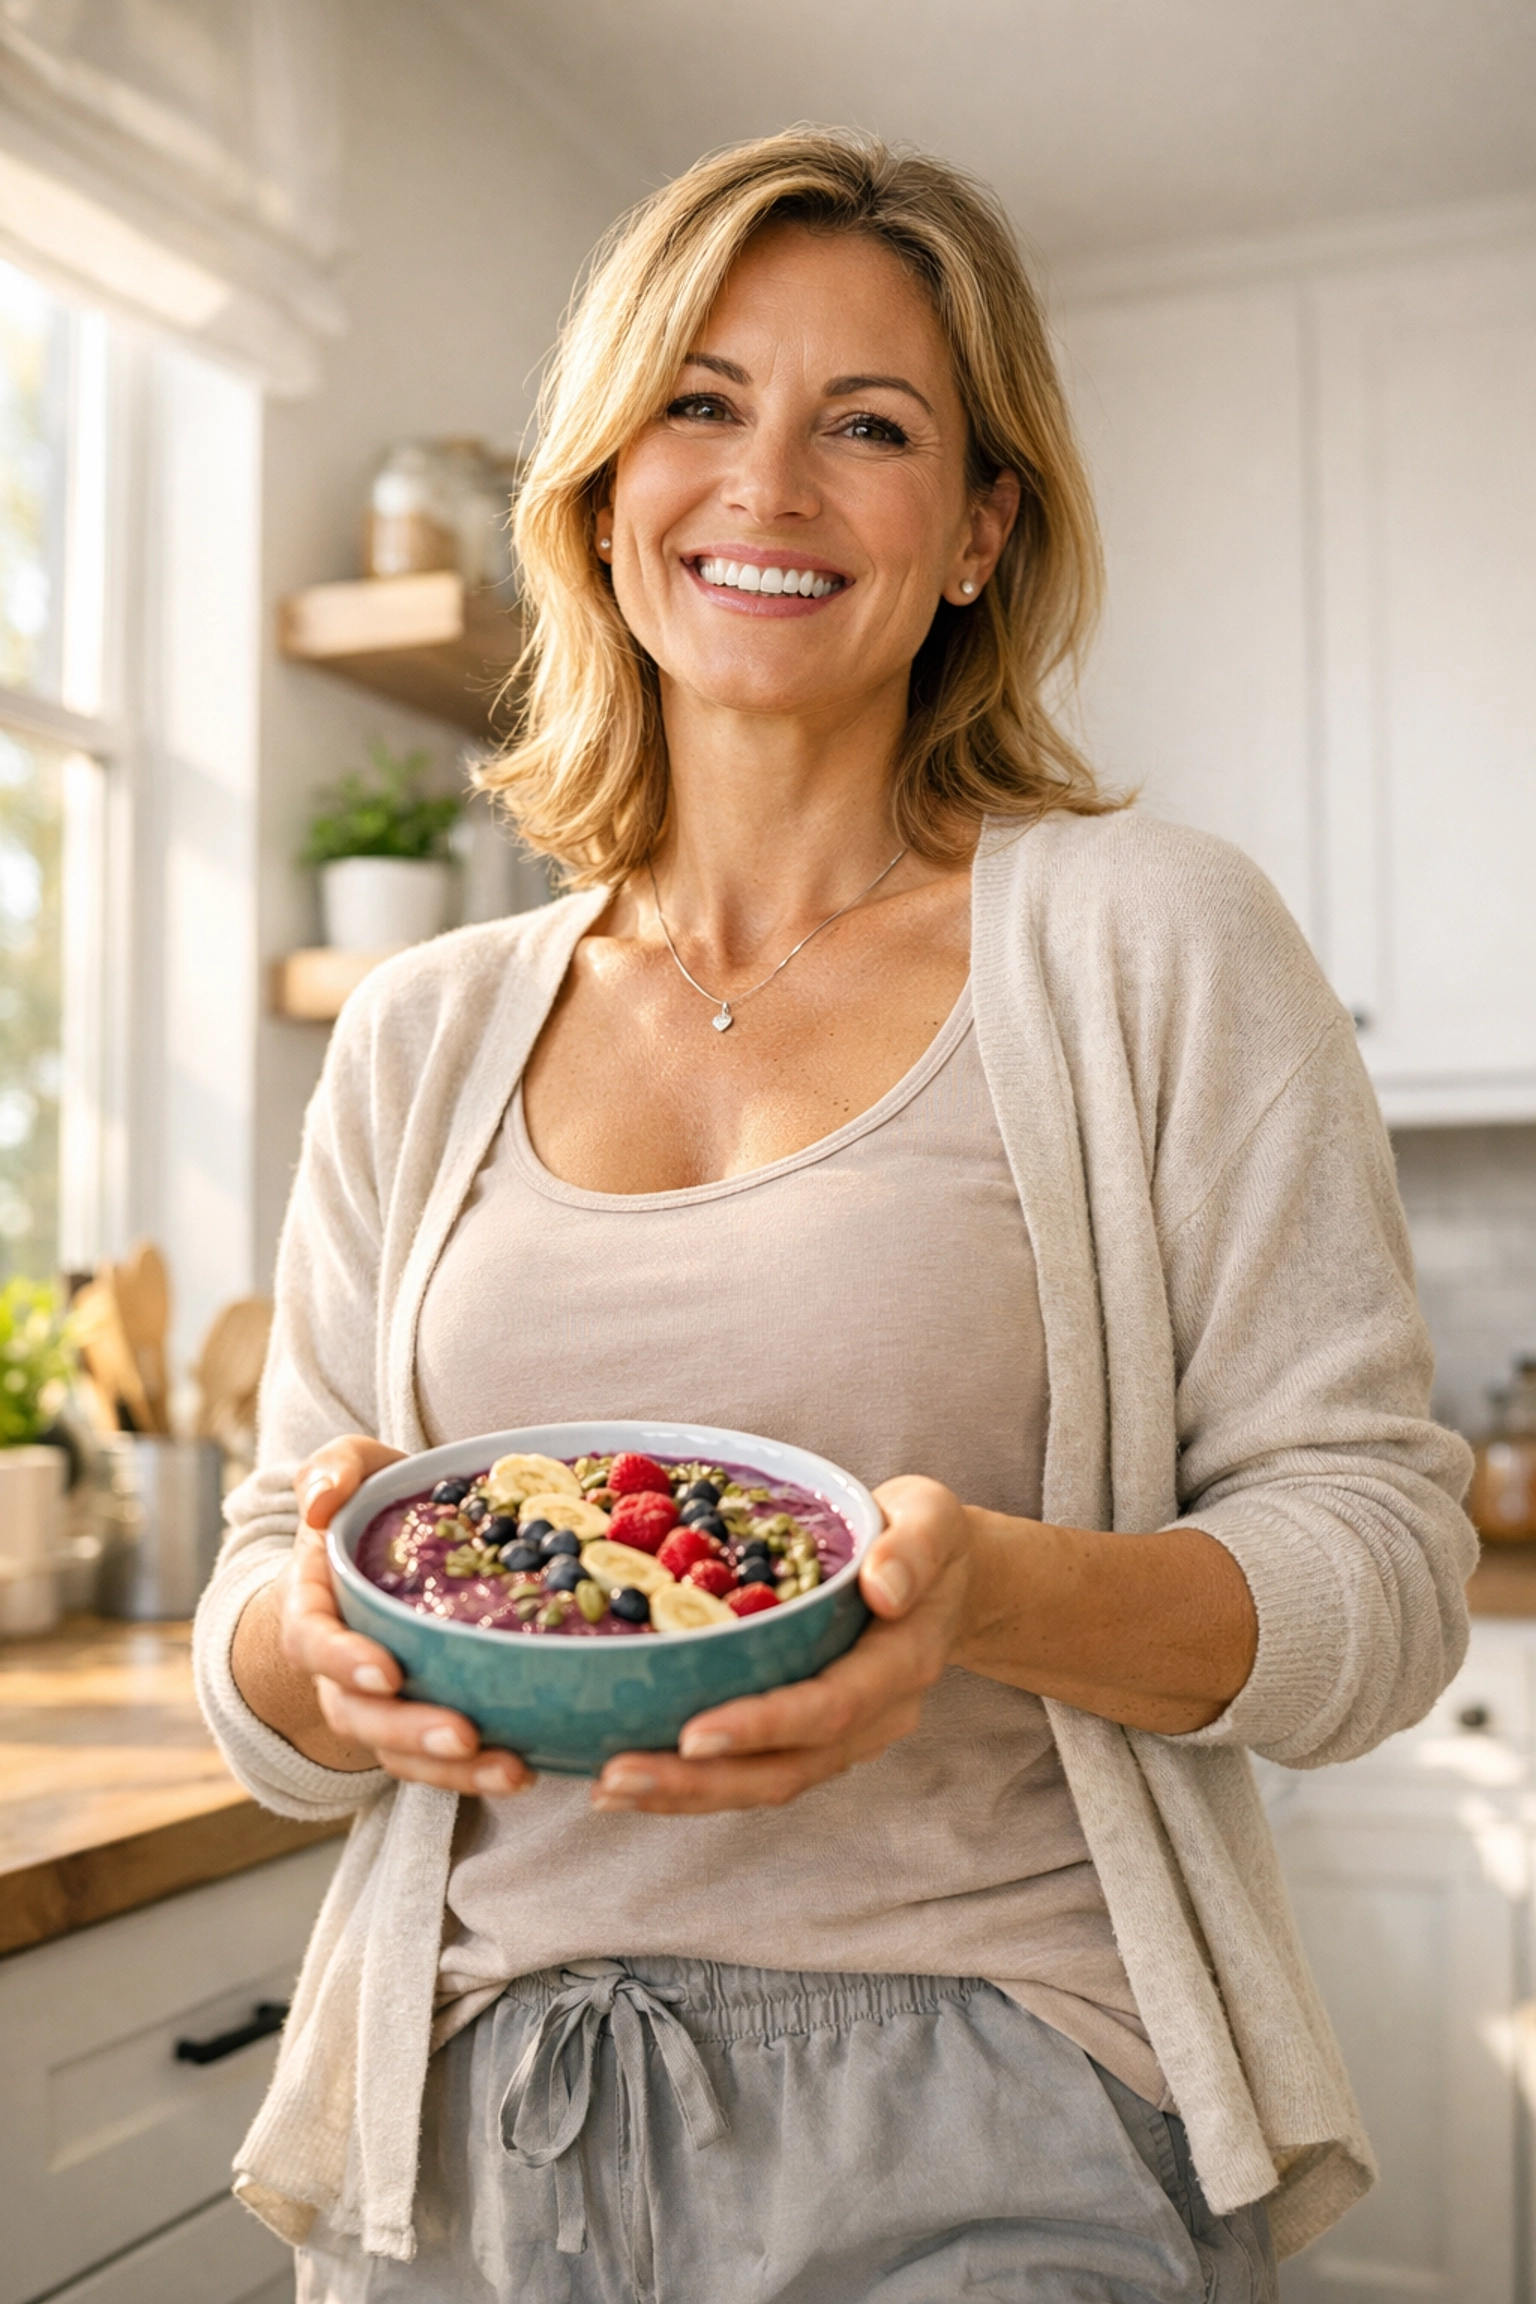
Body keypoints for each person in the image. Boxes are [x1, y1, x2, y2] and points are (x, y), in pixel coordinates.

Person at [195, 128, 1475, 2303]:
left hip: (1002, 2098)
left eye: (866, 426)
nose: (766, 487)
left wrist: (986, 1601)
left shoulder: (1154, 940)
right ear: (605, 498)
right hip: (470, 2118)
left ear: (980, 530)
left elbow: (1383, 1567)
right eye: (699, 403)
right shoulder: (422, 1033)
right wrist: (320, 1654)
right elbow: (267, 1610)